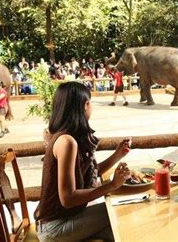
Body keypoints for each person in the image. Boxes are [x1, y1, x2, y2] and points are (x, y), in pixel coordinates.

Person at [35, 82, 132, 241]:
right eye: (90, 102)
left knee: (119, 228)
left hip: (60, 222)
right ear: (85, 105)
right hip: (54, 228)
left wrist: (117, 155)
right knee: (119, 215)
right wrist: (112, 185)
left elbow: (88, 172)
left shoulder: (67, 136)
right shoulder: (67, 142)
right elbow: (68, 198)